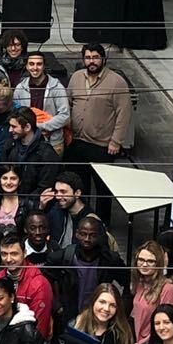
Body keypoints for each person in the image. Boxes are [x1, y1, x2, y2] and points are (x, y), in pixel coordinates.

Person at [64, 44, 134, 216]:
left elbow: (124, 113)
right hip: (77, 141)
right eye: (88, 58)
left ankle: (102, 222)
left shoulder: (117, 82)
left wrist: (116, 141)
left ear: (103, 59)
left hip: (102, 145)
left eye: (95, 57)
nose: (91, 61)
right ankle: (82, 218)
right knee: (80, 184)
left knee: (102, 189)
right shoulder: (76, 77)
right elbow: (68, 102)